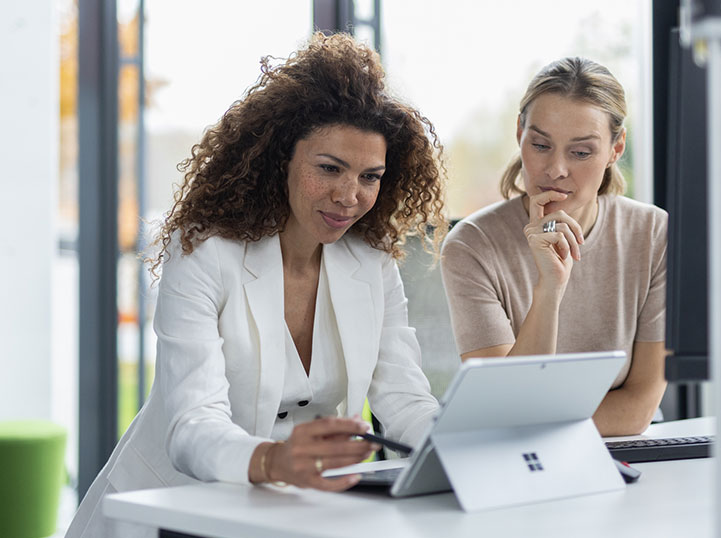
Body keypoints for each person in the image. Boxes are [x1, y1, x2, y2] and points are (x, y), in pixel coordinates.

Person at [66, 32, 447, 538]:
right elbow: (193, 426)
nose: (349, 196)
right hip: (171, 508)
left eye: (370, 177)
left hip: (292, 515)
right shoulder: (203, 252)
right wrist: (273, 460)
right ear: (280, 160)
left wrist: (458, 453)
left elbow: (404, 399)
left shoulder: (371, 262)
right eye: (329, 168)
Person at [441, 57, 667, 437]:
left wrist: (538, 421)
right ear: (520, 134)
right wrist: (549, 289)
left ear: (616, 148)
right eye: (541, 145)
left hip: (621, 448)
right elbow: (506, 406)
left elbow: (639, 409)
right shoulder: (471, 246)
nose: (556, 169)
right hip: (513, 455)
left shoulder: (653, 234)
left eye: (581, 152)